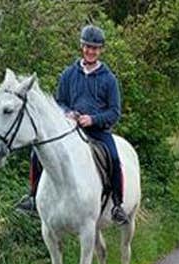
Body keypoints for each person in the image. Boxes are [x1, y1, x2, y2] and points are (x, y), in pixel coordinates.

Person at [16, 24, 128, 225]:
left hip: (97, 132)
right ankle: (32, 197)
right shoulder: (68, 74)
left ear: (100, 50)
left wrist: (93, 119)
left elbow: (114, 112)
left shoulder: (109, 79)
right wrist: (68, 113)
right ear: (82, 46)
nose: (90, 51)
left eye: (95, 48)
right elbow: (60, 101)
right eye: (87, 46)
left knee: (113, 156)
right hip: (70, 130)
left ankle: (117, 205)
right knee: (37, 152)